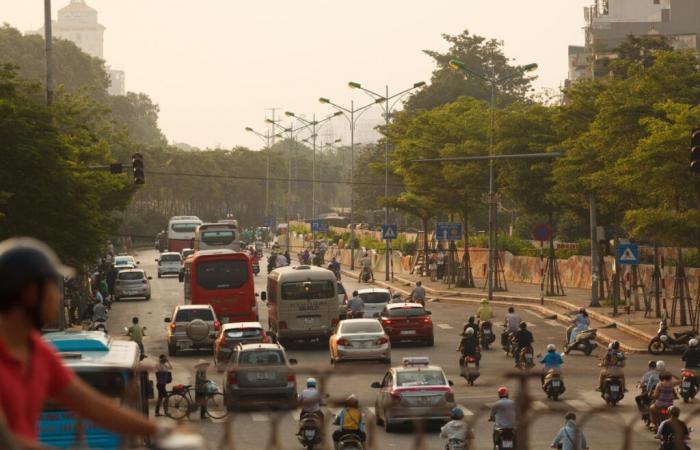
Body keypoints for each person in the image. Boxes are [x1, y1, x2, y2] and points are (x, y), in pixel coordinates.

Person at [0, 237, 172, 449]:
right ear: (30, 292)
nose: (58, 298)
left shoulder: (36, 350)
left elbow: (91, 405)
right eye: (53, 288)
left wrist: (161, 430)